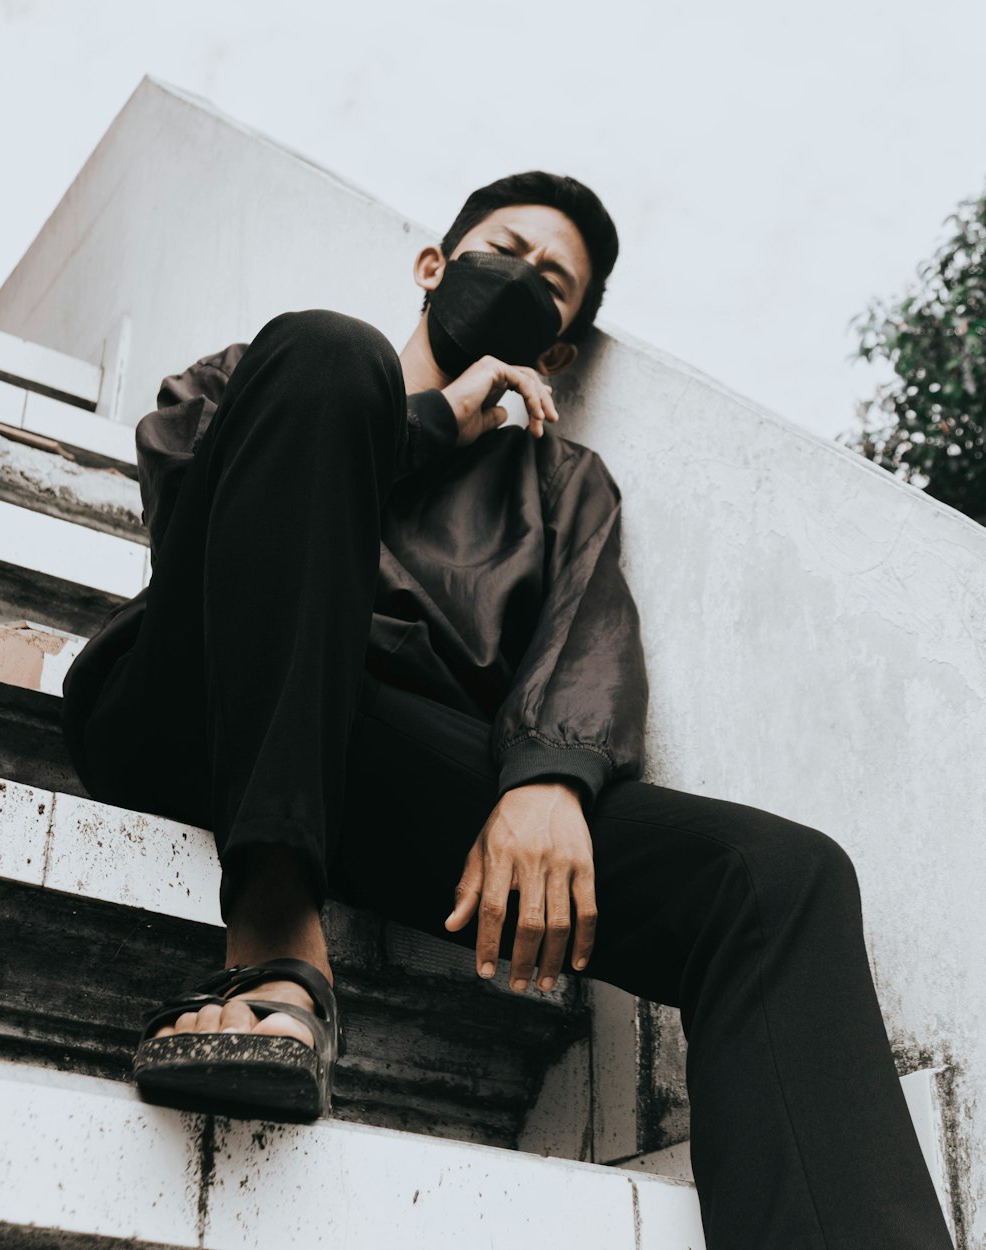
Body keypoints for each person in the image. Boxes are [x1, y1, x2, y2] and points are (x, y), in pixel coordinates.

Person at [60, 171, 954, 1249]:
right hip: (201, 695)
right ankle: (275, 939)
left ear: (561, 347)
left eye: (553, 282)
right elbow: (194, 509)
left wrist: (548, 775)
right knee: (332, 351)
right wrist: (433, 417)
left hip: (394, 763)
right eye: (505, 248)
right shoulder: (267, 371)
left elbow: (587, 632)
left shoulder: (564, 480)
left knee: (779, 875)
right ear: (435, 266)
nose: (521, 279)